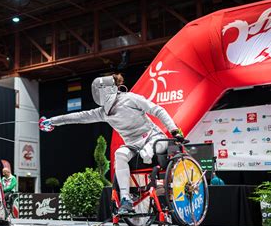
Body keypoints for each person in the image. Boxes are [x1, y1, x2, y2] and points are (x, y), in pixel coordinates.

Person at [40, 74, 184, 215]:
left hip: (153, 138)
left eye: (99, 90)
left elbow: (157, 110)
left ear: (109, 88)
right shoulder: (103, 112)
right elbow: (79, 116)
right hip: (133, 145)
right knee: (120, 154)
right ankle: (126, 199)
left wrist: (174, 131)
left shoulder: (130, 98)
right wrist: (53, 121)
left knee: (146, 154)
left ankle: (159, 189)